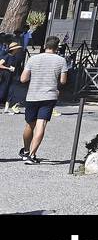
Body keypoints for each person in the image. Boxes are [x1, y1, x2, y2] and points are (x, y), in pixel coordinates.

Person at [19, 36, 68, 165]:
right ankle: (32, 154)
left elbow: (23, 79)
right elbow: (63, 81)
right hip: (49, 95)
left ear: (45, 45)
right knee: (41, 124)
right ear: (57, 47)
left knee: (30, 124)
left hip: (33, 95)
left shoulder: (33, 59)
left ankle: (25, 150)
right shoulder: (61, 61)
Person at [1, 40, 25, 113]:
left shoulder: (15, 57)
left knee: (11, 91)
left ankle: (6, 108)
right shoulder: (7, 56)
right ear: (14, 49)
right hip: (5, 76)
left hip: (13, 76)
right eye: (17, 48)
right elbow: (0, 64)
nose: (18, 50)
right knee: (3, 90)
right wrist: (8, 68)